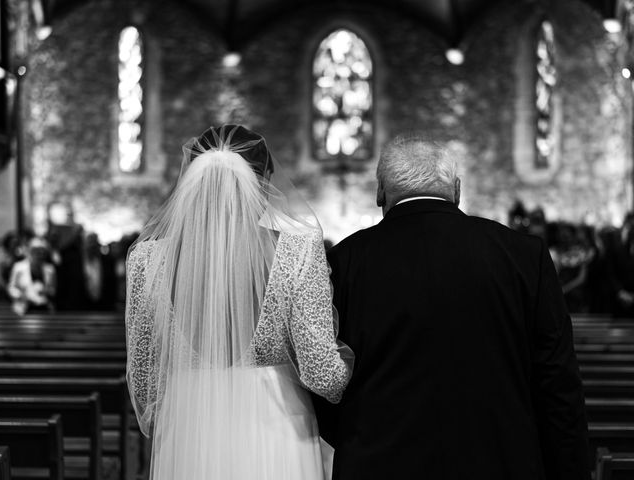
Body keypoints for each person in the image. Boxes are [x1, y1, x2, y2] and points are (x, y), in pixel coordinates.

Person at [314, 134, 590, 480]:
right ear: (456, 190)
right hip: (500, 462)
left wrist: (361, 438)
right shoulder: (524, 255)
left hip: (379, 463)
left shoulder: (344, 262)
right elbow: (557, 382)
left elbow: (324, 381)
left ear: (380, 192)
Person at [125, 125, 353, 479]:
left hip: (187, 424)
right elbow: (323, 375)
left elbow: (143, 381)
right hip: (274, 425)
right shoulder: (297, 250)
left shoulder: (146, 259)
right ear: (263, 183)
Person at [7, 237, 57, 315]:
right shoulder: (19, 267)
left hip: (44, 309)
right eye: (36, 252)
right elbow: (11, 288)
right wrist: (23, 295)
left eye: (42, 252)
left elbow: (53, 290)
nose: (39, 255)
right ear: (29, 252)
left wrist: (45, 292)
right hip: (23, 309)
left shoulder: (50, 269)